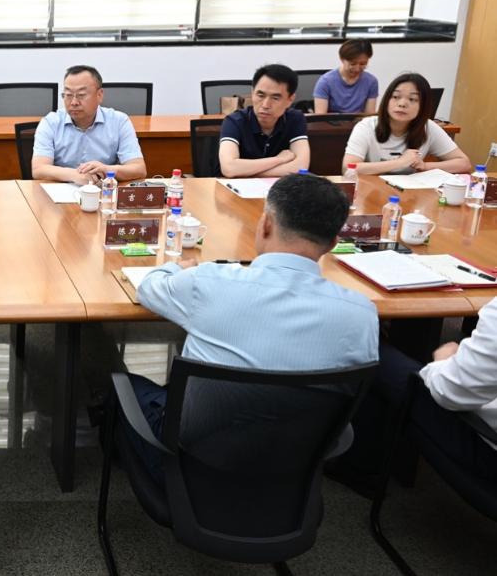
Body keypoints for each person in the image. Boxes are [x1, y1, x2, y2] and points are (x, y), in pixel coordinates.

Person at [130, 174, 379, 481]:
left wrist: (176, 268)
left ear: (266, 225)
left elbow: (148, 288)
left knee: (125, 386)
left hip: (196, 458)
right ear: (332, 243)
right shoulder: (362, 315)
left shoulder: (208, 282)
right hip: (294, 461)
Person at [336, 297, 497, 485]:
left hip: (485, 446)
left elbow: (450, 391)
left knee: (370, 349)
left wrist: (444, 361)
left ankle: (358, 469)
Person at [31, 65, 147, 184]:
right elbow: (38, 169)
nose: (74, 102)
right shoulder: (50, 123)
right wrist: (75, 175)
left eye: (81, 95)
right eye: (68, 95)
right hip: (61, 190)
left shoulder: (119, 121)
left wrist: (106, 170)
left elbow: (139, 169)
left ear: (99, 95)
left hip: (104, 190)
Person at [342, 72, 471, 175]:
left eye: (412, 99)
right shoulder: (366, 126)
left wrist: (425, 166)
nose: (402, 104)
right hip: (371, 191)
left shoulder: (428, 127)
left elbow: (464, 164)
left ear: (423, 106)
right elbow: (348, 168)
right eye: (396, 97)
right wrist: (400, 162)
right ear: (387, 100)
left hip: (410, 194)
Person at [218, 64, 311, 178]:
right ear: (252, 93)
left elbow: (301, 167)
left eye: (275, 98)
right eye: (260, 95)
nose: (266, 105)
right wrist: (279, 159)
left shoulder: (295, 118)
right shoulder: (234, 121)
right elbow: (229, 168)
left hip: (280, 187)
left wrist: (247, 172)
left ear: (290, 99)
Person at [313, 39, 379, 114]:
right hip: (333, 121)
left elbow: (369, 115)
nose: (357, 69)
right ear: (342, 59)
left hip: (360, 121)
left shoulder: (371, 82)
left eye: (363, 64)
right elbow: (321, 116)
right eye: (353, 64)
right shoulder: (325, 82)